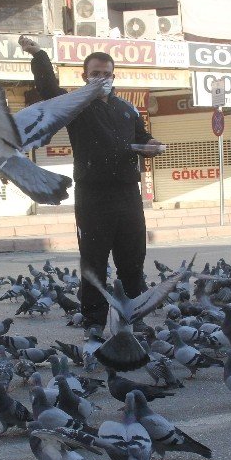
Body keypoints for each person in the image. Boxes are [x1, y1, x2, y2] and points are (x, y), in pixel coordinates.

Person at [19, 35, 163, 330]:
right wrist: (39, 55)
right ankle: (95, 322)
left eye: (106, 74)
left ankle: (133, 317)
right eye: (95, 74)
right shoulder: (76, 105)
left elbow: (142, 136)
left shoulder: (127, 109)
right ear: (85, 77)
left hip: (128, 194)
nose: (101, 79)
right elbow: (48, 89)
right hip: (93, 196)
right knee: (94, 263)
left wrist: (152, 144)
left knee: (133, 260)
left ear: (113, 76)